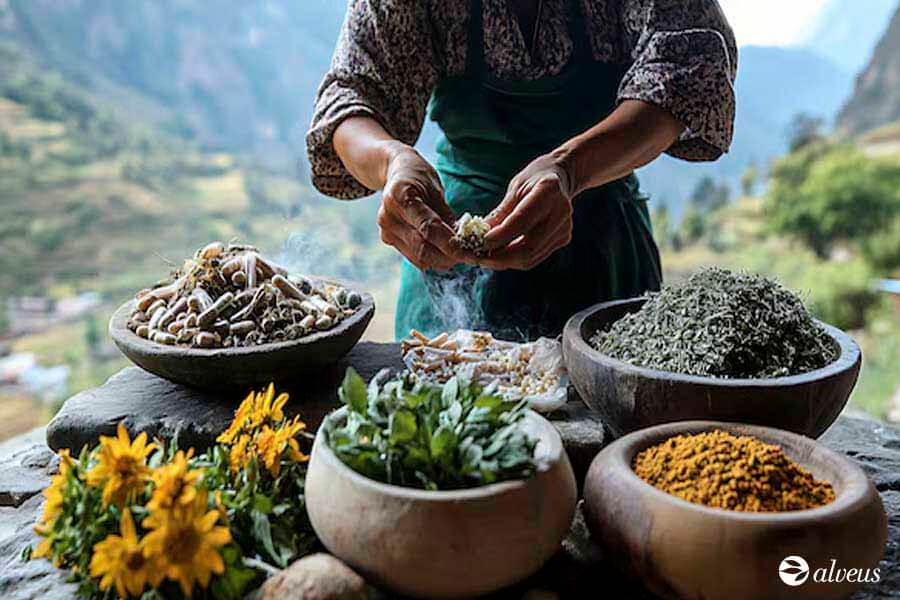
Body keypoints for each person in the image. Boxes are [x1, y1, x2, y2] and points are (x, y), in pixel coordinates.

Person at [308, 0, 736, 341]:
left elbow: (691, 69)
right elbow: (348, 100)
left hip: (602, 253)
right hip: (448, 245)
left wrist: (570, 169)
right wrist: (391, 161)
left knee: (602, 419)